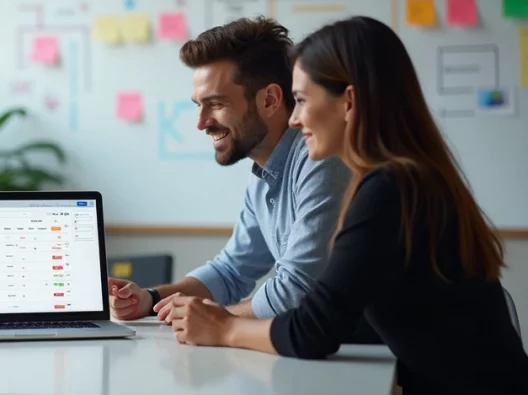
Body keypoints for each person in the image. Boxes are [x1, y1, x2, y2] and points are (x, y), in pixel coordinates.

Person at [166, 16, 528, 395]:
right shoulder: (403, 177)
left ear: (348, 102)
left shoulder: (389, 189)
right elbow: (329, 312)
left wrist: (224, 327)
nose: (293, 118)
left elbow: (313, 329)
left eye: (302, 100)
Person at [108, 16, 352, 321]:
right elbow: (230, 271)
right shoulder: (265, 173)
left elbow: (297, 291)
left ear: (270, 100)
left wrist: (217, 321)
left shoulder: (321, 160)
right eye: (198, 104)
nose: (201, 122)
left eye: (216, 104)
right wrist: (151, 299)